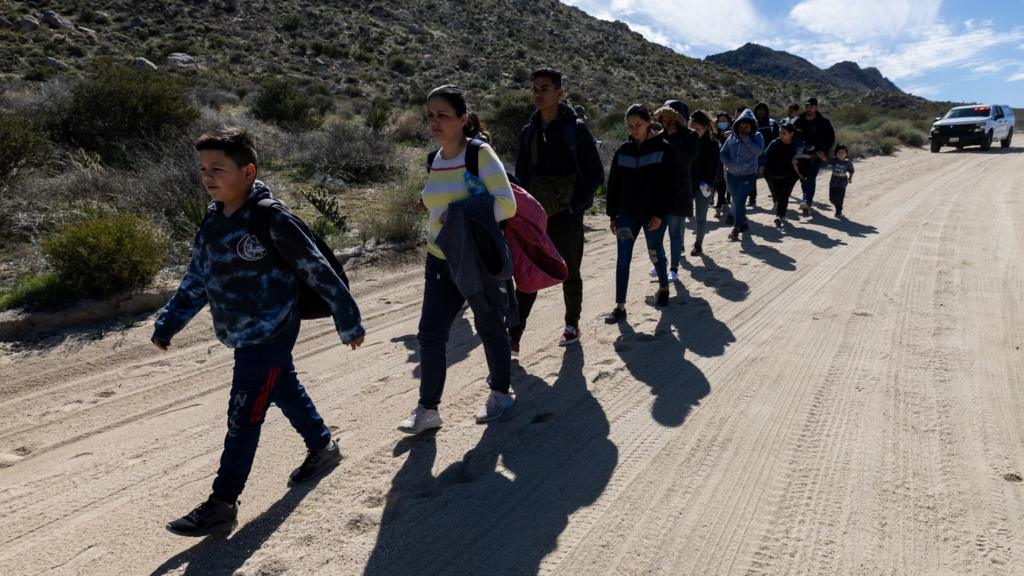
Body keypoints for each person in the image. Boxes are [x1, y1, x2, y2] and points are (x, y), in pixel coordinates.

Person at [154, 128, 366, 536]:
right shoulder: (214, 219)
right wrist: (169, 322)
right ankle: (323, 447)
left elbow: (317, 270)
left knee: (244, 415)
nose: (208, 177)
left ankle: (222, 503)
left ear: (248, 171)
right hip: (240, 330)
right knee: (282, 384)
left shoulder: (271, 218)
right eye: (203, 169)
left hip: (272, 328)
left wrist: (348, 319)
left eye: (218, 168)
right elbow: (196, 278)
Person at [397, 85, 518, 436]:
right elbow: (439, 198)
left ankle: (500, 393)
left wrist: (460, 214)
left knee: (489, 326)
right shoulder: (434, 158)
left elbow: (506, 204)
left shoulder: (479, 154)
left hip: (476, 260)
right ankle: (428, 409)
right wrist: (430, 205)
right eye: (430, 115)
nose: (435, 122)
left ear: (463, 119)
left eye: (443, 115)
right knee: (430, 335)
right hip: (440, 259)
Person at [511, 68, 605, 352]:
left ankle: (571, 325)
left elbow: (595, 175)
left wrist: (577, 206)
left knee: (569, 271)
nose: (539, 94)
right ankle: (514, 335)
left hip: (567, 216)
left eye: (545, 89)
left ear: (560, 92)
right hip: (535, 216)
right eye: (535, 89)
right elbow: (522, 175)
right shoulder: (529, 132)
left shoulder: (575, 130)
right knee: (528, 274)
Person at [605, 104, 676, 323]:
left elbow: (669, 186)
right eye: (630, 125)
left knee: (655, 252)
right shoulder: (622, 151)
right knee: (622, 259)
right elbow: (614, 185)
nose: (634, 129)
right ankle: (620, 306)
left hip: (653, 214)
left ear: (648, 123)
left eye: (638, 125)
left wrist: (659, 214)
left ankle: (663, 288)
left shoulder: (663, 148)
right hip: (627, 214)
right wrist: (612, 215)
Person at [651, 100, 698, 281]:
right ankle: (660, 264)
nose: (668, 120)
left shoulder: (691, 136)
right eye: (665, 117)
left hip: (680, 191)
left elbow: (686, 159)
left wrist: (675, 137)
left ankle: (674, 268)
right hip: (660, 191)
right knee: (657, 232)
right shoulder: (657, 136)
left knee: (675, 232)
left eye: (672, 117)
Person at [719, 109, 764, 242]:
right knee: (738, 201)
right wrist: (728, 162)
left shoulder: (757, 136)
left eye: (747, 127)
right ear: (737, 125)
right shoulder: (732, 137)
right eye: (741, 126)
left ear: (752, 127)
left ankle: (736, 228)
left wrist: (746, 139)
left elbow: (758, 151)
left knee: (740, 199)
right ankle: (743, 222)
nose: (743, 129)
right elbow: (722, 152)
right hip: (732, 174)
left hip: (748, 175)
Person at [793, 97, 836, 216]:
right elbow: (793, 136)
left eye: (811, 107)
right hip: (801, 155)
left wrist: (824, 151)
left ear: (816, 107)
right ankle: (806, 201)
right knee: (803, 179)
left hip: (815, 155)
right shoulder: (799, 121)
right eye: (807, 106)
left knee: (811, 178)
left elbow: (831, 138)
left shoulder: (824, 122)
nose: (809, 109)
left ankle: (806, 201)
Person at [761, 123, 804, 228]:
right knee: (777, 194)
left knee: (784, 194)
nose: (781, 135)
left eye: (784, 133)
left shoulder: (797, 144)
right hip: (774, 174)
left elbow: (801, 157)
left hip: (790, 174)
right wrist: (762, 166)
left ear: (791, 134)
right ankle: (780, 212)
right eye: (780, 132)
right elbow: (765, 156)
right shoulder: (774, 143)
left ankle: (780, 215)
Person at [688, 110, 720, 256]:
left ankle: (698, 244)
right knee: (681, 216)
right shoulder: (685, 142)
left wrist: (709, 184)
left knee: (701, 216)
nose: (694, 132)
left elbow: (714, 167)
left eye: (697, 129)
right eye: (691, 128)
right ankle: (679, 245)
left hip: (704, 185)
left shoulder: (713, 144)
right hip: (686, 184)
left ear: (706, 128)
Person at [750, 102, 780, 209]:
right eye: (759, 109)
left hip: (769, 156)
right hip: (754, 155)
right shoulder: (752, 124)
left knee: (770, 178)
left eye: (763, 109)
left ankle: (776, 200)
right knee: (752, 178)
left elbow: (777, 140)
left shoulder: (772, 123)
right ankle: (752, 199)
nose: (761, 111)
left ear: (766, 111)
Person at [713, 112, 733, 220]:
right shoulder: (715, 134)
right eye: (720, 121)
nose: (722, 123)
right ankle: (723, 202)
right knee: (718, 184)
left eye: (724, 121)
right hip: (716, 164)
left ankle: (719, 205)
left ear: (729, 122)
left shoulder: (732, 134)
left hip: (727, 164)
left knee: (723, 184)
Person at [828, 144, 855, 218]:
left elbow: (851, 170)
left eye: (843, 152)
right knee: (832, 199)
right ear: (836, 154)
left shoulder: (848, 162)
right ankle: (836, 204)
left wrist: (850, 178)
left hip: (842, 183)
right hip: (833, 182)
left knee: (840, 198)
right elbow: (824, 158)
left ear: (846, 153)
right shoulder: (833, 160)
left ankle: (838, 212)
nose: (841, 154)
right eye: (839, 152)